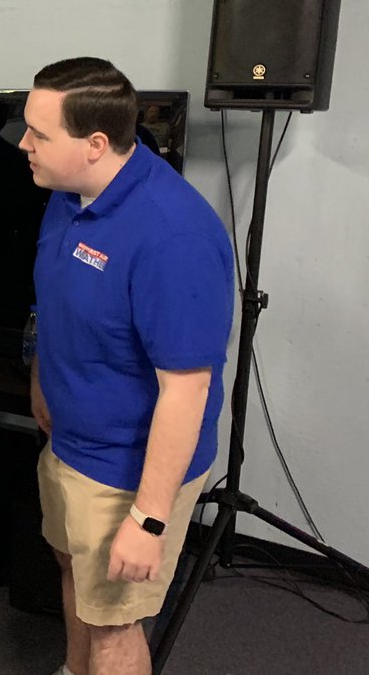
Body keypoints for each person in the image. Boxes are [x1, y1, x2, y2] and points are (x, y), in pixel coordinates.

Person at [19, 58, 234, 675]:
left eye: (39, 134)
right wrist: (40, 376)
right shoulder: (66, 195)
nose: (23, 145)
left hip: (127, 471)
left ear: (93, 144)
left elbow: (187, 391)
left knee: (115, 624)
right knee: (76, 577)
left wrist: (149, 518)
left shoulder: (174, 235)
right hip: (68, 443)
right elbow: (54, 301)